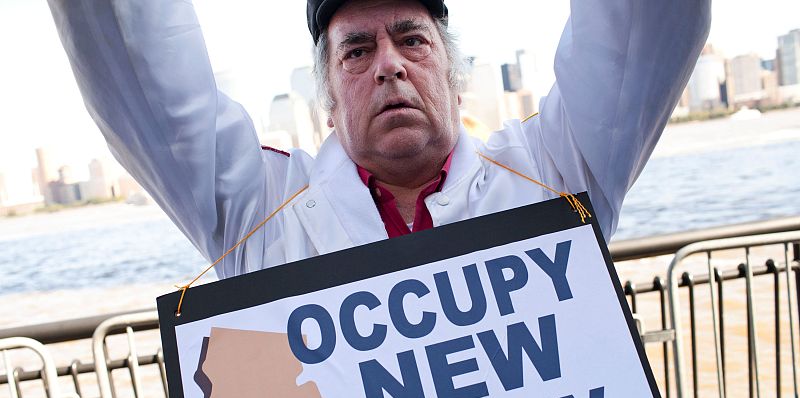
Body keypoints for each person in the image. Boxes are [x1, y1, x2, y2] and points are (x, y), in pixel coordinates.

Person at [49, 0, 711, 279]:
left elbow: (641, 28)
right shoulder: (256, 210)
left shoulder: (554, 167)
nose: (389, 64)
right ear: (329, 101)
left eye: (412, 39)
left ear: (453, 76)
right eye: (357, 51)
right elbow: (137, 63)